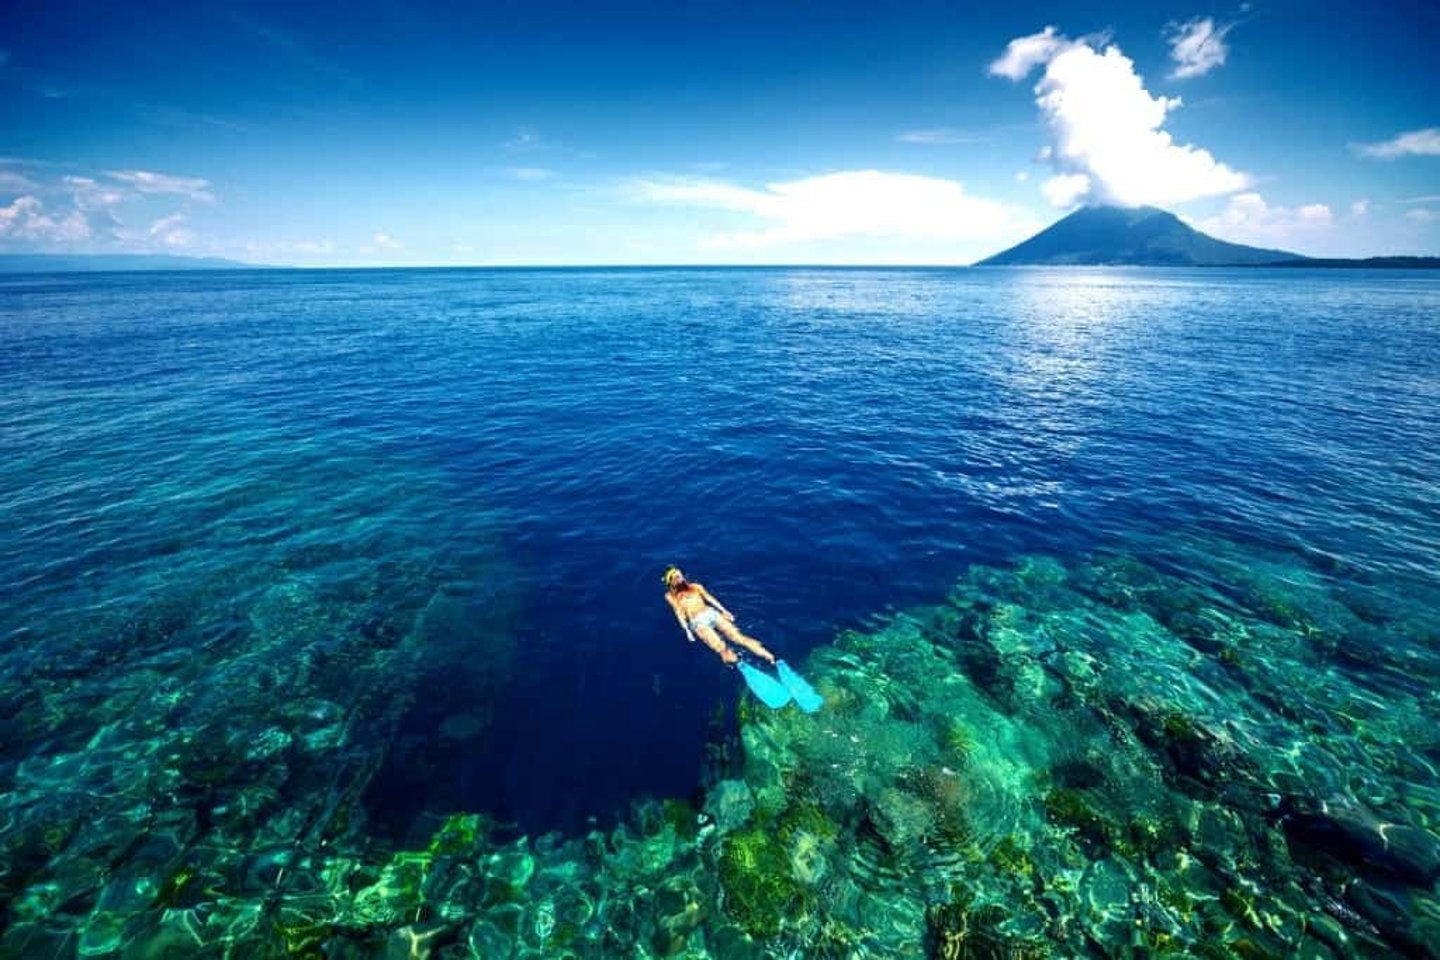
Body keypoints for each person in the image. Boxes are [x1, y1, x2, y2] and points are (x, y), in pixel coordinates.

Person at [663, 566, 776, 666]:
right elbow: (678, 612)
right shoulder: (670, 596)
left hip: (711, 613)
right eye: (676, 577)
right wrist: (687, 630)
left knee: (738, 637)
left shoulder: (696, 587)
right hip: (698, 623)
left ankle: (768, 656)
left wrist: (725, 611)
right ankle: (737, 663)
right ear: (670, 582)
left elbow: (710, 598)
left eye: (680, 576)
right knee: (721, 648)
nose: (680, 578)